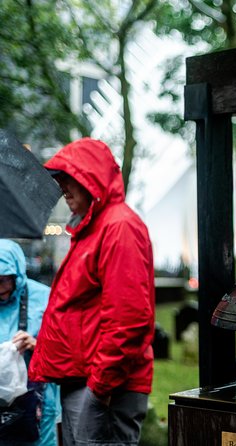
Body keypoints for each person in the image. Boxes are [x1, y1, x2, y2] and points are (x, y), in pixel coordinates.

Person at [29, 138, 155, 446]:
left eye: (68, 179)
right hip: (84, 381)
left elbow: (130, 319)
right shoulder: (93, 228)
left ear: (90, 178)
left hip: (103, 386)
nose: (63, 189)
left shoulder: (118, 227)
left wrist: (100, 387)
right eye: (60, 181)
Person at [0, 239, 60, 446]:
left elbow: (65, 349)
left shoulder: (45, 298)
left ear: (17, 273)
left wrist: (37, 345)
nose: (0, 289)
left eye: (4, 280)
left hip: (37, 402)